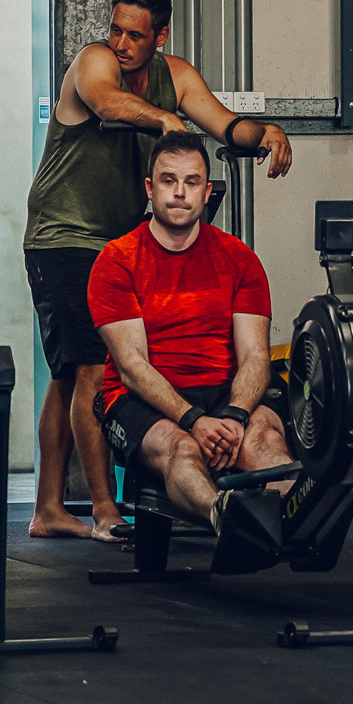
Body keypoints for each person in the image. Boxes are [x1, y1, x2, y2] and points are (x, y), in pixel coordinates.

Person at [25, 0, 293, 541]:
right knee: (90, 369)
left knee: (69, 374)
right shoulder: (95, 61)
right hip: (65, 234)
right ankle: (103, 509)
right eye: (116, 30)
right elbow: (105, 100)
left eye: (136, 35)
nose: (121, 43)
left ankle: (48, 508)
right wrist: (164, 120)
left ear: (160, 36)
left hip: (119, 241)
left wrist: (264, 133)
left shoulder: (177, 75)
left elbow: (225, 124)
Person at [87, 132, 292, 529]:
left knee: (263, 439)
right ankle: (226, 519)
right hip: (139, 399)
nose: (180, 192)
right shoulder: (116, 261)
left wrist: (235, 417)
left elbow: (255, 356)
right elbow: (132, 367)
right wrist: (194, 420)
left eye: (192, 182)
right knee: (181, 448)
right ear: (150, 189)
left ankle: (288, 520)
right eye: (169, 180)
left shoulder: (240, 260)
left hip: (224, 393)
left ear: (206, 192)